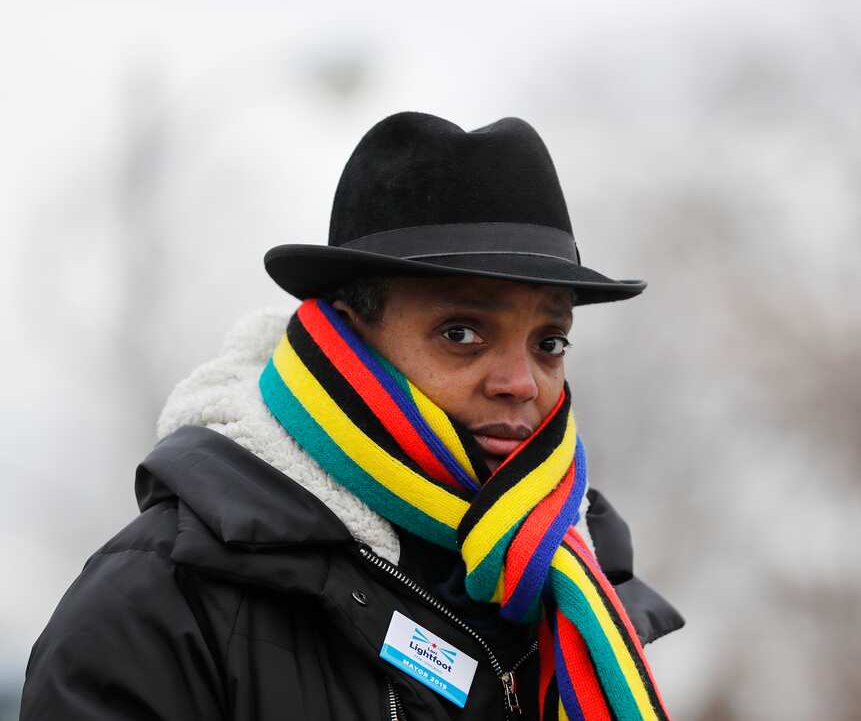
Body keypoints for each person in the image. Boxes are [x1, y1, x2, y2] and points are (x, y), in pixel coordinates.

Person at [20, 112, 682, 720]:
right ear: (348, 340)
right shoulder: (158, 602)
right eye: (462, 333)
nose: (521, 382)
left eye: (549, 342)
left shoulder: (582, 604)